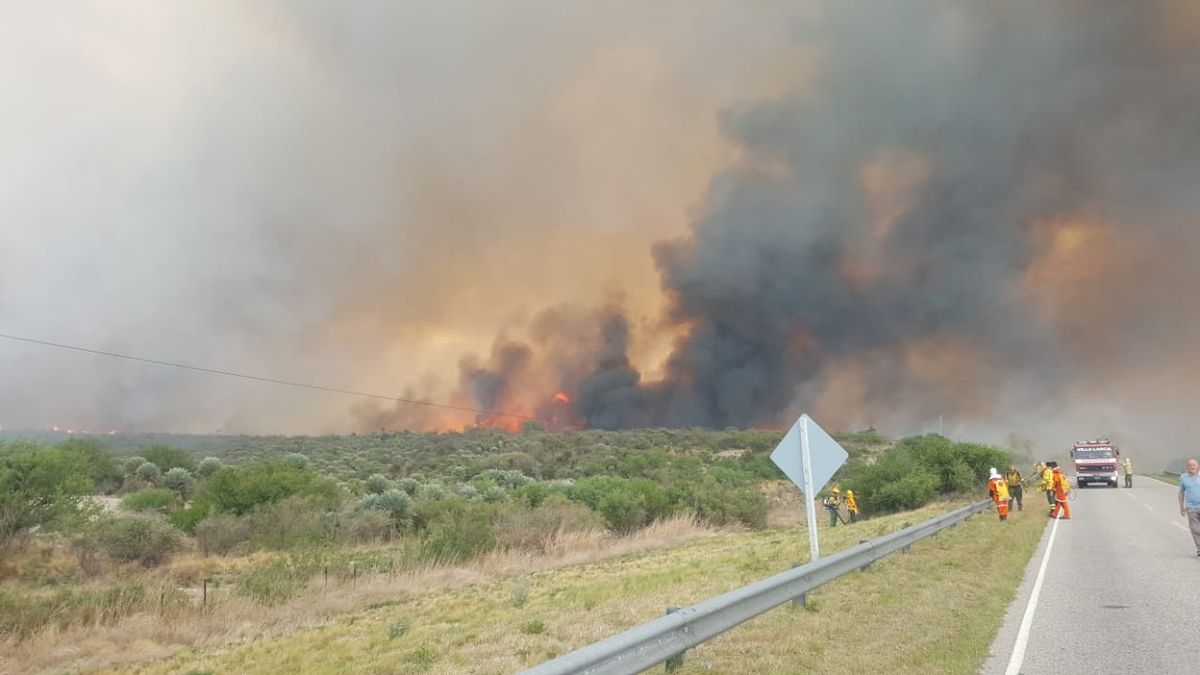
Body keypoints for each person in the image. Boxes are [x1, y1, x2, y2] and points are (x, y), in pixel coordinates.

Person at [1178, 459, 1200, 556]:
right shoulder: (1183, 477)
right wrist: (1181, 506)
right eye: (1190, 465)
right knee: (1195, 529)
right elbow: (1181, 492)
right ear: (1187, 467)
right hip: (1191, 507)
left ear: (1198, 466)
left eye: (1194, 465)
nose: (1192, 467)